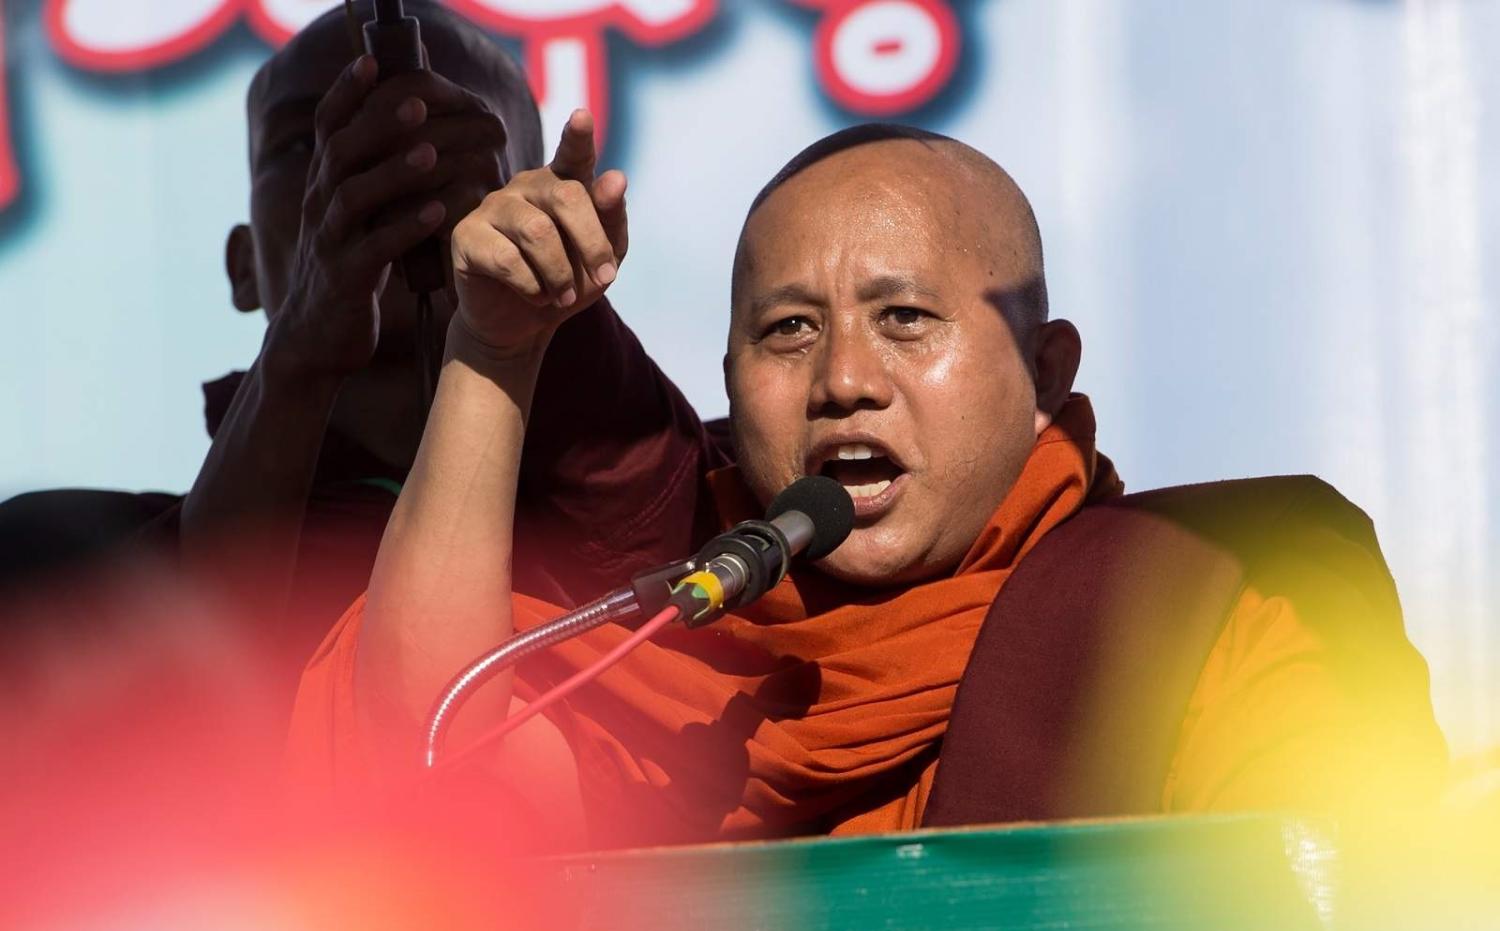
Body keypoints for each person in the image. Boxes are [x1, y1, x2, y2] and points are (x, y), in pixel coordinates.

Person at [286, 124, 1449, 850]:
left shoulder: (1204, 615)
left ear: (1046, 375)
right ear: (731, 388)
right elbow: (422, 763)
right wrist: (495, 354)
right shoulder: (687, 660)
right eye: (789, 331)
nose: (845, 381)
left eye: (906, 320)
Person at [0, 3, 726, 696]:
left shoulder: (698, 487)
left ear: (538, 198)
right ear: (244, 266)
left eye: (448, 129)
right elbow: (171, 698)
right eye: (300, 146)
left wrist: (547, 307)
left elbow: (675, 545)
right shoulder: (59, 554)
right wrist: (300, 354)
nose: (376, 163)